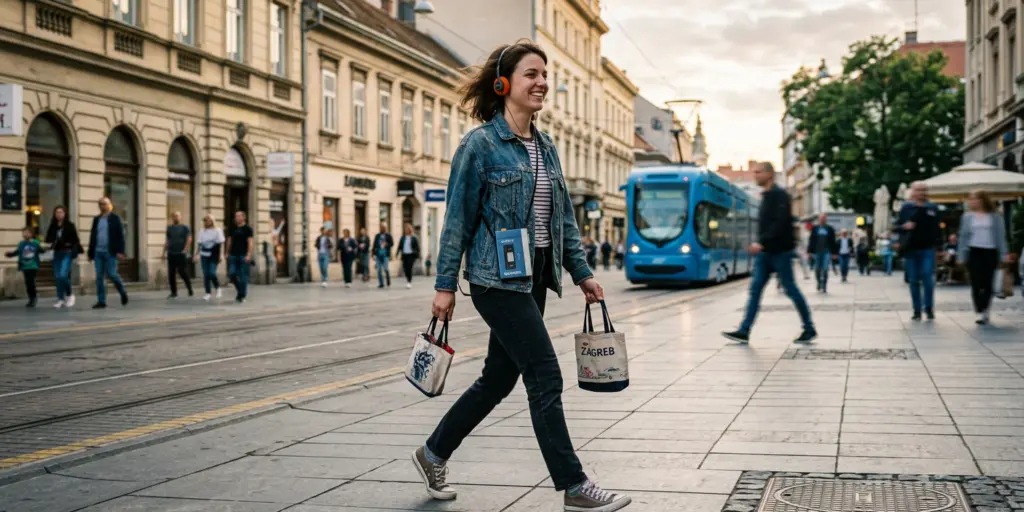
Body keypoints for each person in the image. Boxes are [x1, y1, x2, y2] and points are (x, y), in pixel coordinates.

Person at [418, 42, 630, 512]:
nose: (541, 83)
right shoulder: (480, 145)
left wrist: (582, 273)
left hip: (534, 278)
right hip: (496, 281)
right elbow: (457, 219)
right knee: (544, 374)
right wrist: (445, 284)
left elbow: (563, 220)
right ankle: (573, 484)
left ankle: (433, 452)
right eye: (531, 74)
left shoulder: (546, 145)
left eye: (544, 75)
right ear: (503, 83)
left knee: (497, 379)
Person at [723, 162, 816, 345]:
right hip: (765, 254)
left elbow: (780, 223)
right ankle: (744, 330)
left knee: (791, 289)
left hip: (780, 252)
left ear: (769, 174)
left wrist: (761, 242)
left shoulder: (779, 196)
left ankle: (809, 328)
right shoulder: (765, 196)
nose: (755, 175)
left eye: (758, 172)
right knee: (755, 290)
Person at [957, 190, 1009, 324]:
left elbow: (1001, 236)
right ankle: (979, 309)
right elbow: (963, 236)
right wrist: (961, 255)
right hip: (973, 251)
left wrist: (1004, 254)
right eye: (971, 199)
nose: (972, 201)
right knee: (975, 282)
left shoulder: (995, 216)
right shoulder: (967, 216)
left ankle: (985, 309)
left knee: (988, 283)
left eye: (975, 199)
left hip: (990, 251)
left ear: (983, 200)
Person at [895, 181, 941, 320]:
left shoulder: (932, 207)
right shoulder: (906, 207)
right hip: (911, 248)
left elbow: (937, 229)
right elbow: (897, 226)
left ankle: (929, 308)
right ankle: (916, 310)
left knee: (927, 277)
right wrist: (904, 226)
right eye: (918, 190)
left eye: (923, 190)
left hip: (927, 248)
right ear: (913, 192)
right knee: (914, 280)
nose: (921, 192)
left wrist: (939, 247)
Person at [87, 196, 129, 309]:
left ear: (109, 205)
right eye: (100, 204)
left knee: (112, 274)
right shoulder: (96, 219)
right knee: (99, 277)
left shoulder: (115, 218)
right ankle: (101, 301)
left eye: (105, 204)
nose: (102, 206)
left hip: (111, 251)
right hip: (98, 252)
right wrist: (90, 253)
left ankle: (122, 291)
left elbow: (121, 236)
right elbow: (93, 236)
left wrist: (121, 251)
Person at [44, 205, 82, 308]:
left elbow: (75, 240)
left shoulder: (70, 225)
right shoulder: (53, 226)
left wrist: (71, 246)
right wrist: (48, 244)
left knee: (63, 275)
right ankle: (60, 299)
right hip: (57, 253)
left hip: (67, 252)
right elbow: (48, 239)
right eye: (57, 212)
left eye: (61, 212)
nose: (59, 214)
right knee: (57, 277)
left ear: (65, 214)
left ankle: (70, 295)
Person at [6, 227, 43, 307]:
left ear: (31, 234)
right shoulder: (21, 243)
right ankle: (31, 298)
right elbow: (17, 252)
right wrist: (10, 255)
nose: (24, 234)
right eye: (23, 233)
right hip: (24, 266)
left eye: (26, 233)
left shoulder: (35, 242)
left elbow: (41, 250)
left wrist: (46, 248)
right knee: (27, 283)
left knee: (30, 282)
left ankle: (33, 298)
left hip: (33, 265)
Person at [193, 213, 225, 300]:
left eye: (209, 220)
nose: (207, 222)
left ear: (212, 221)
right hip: (204, 254)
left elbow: (221, 243)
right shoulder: (202, 231)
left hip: (214, 253)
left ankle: (218, 288)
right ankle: (207, 293)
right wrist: (196, 254)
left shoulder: (217, 230)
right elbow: (199, 244)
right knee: (206, 274)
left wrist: (221, 255)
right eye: (205, 220)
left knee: (212, 273)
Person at [225, 210, 254, 303]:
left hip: (243, 255)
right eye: (236, 216)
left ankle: (242, 295)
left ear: (243, 217)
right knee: (232, 274)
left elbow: (250, 242)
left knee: (243, 276)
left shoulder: (247, 229)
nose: (236, 218)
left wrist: (249, 254)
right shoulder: (232, 228)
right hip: (233, 255)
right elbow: (229, 240)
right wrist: (226, 252)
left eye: (238, 216)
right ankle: (241, 292)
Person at [163, 211, 194, 298]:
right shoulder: (169, 228)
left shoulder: (185, 228)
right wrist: (164, 252)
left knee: (183, 272)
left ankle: (189, 289)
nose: (175, 217)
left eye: (177, 216)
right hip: (171, 253)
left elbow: (189, 239)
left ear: (180, 217)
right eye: (173, 216)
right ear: (172, 218)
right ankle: (174, 292)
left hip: (181, 253)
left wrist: (185, 249)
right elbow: (167, 241)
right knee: (171, 274)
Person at [806, 213, 837, 293]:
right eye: (821, 218)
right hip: (816, 252)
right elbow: (811, 240)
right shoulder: (815, 228)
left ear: (826, 219)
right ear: (819, 219)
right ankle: (819, 282)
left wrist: (834, 253)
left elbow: (833, 242)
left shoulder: (829, 229)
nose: (822, 219)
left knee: (825, 269)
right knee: (817, 269)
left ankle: (824, 285)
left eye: (824, 218)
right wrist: (809, 251)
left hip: (826, 252)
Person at [396, 223, 420, 289]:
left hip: (411, 256)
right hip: (404, 255)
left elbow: (417, 248)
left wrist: (416, 254)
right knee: (405, 269)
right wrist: (397, 253)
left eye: (407, 229)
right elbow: (399, 246)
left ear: (410, 230)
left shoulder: (414, 238)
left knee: (409, 268)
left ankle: (409, 282)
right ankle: (408, 279)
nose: (406, 230)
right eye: (405, 229)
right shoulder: (403, 238)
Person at [372, 222, 393, 288]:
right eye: (381, 227)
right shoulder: (377, 236)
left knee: (386, 269)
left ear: (385, 228)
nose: (382, 228)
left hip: (385, 254)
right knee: (379, 269)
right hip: (378, 254)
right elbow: (374, 245)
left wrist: (387, 244)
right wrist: (373, 253)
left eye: (383, 227)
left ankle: (388, 281)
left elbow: (392, 243)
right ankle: (381, 283)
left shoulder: (388, 235)